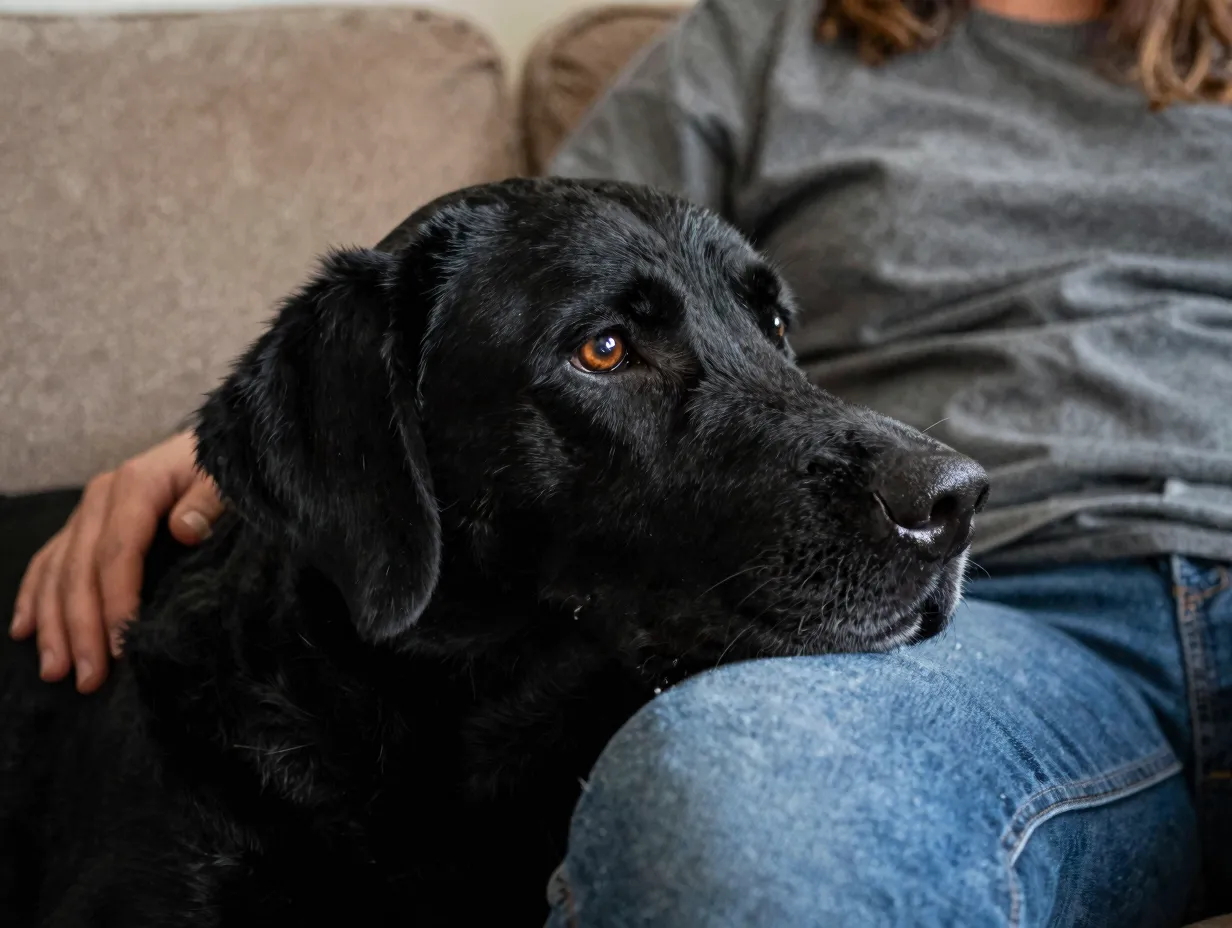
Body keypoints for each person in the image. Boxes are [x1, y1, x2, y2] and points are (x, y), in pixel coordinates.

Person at [10, 0, 1231, 922]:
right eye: (615, 352)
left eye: (765, 325)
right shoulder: (768, 37)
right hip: (1006, 631)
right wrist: (244, 441)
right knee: (732, 793)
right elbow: (536, 253)